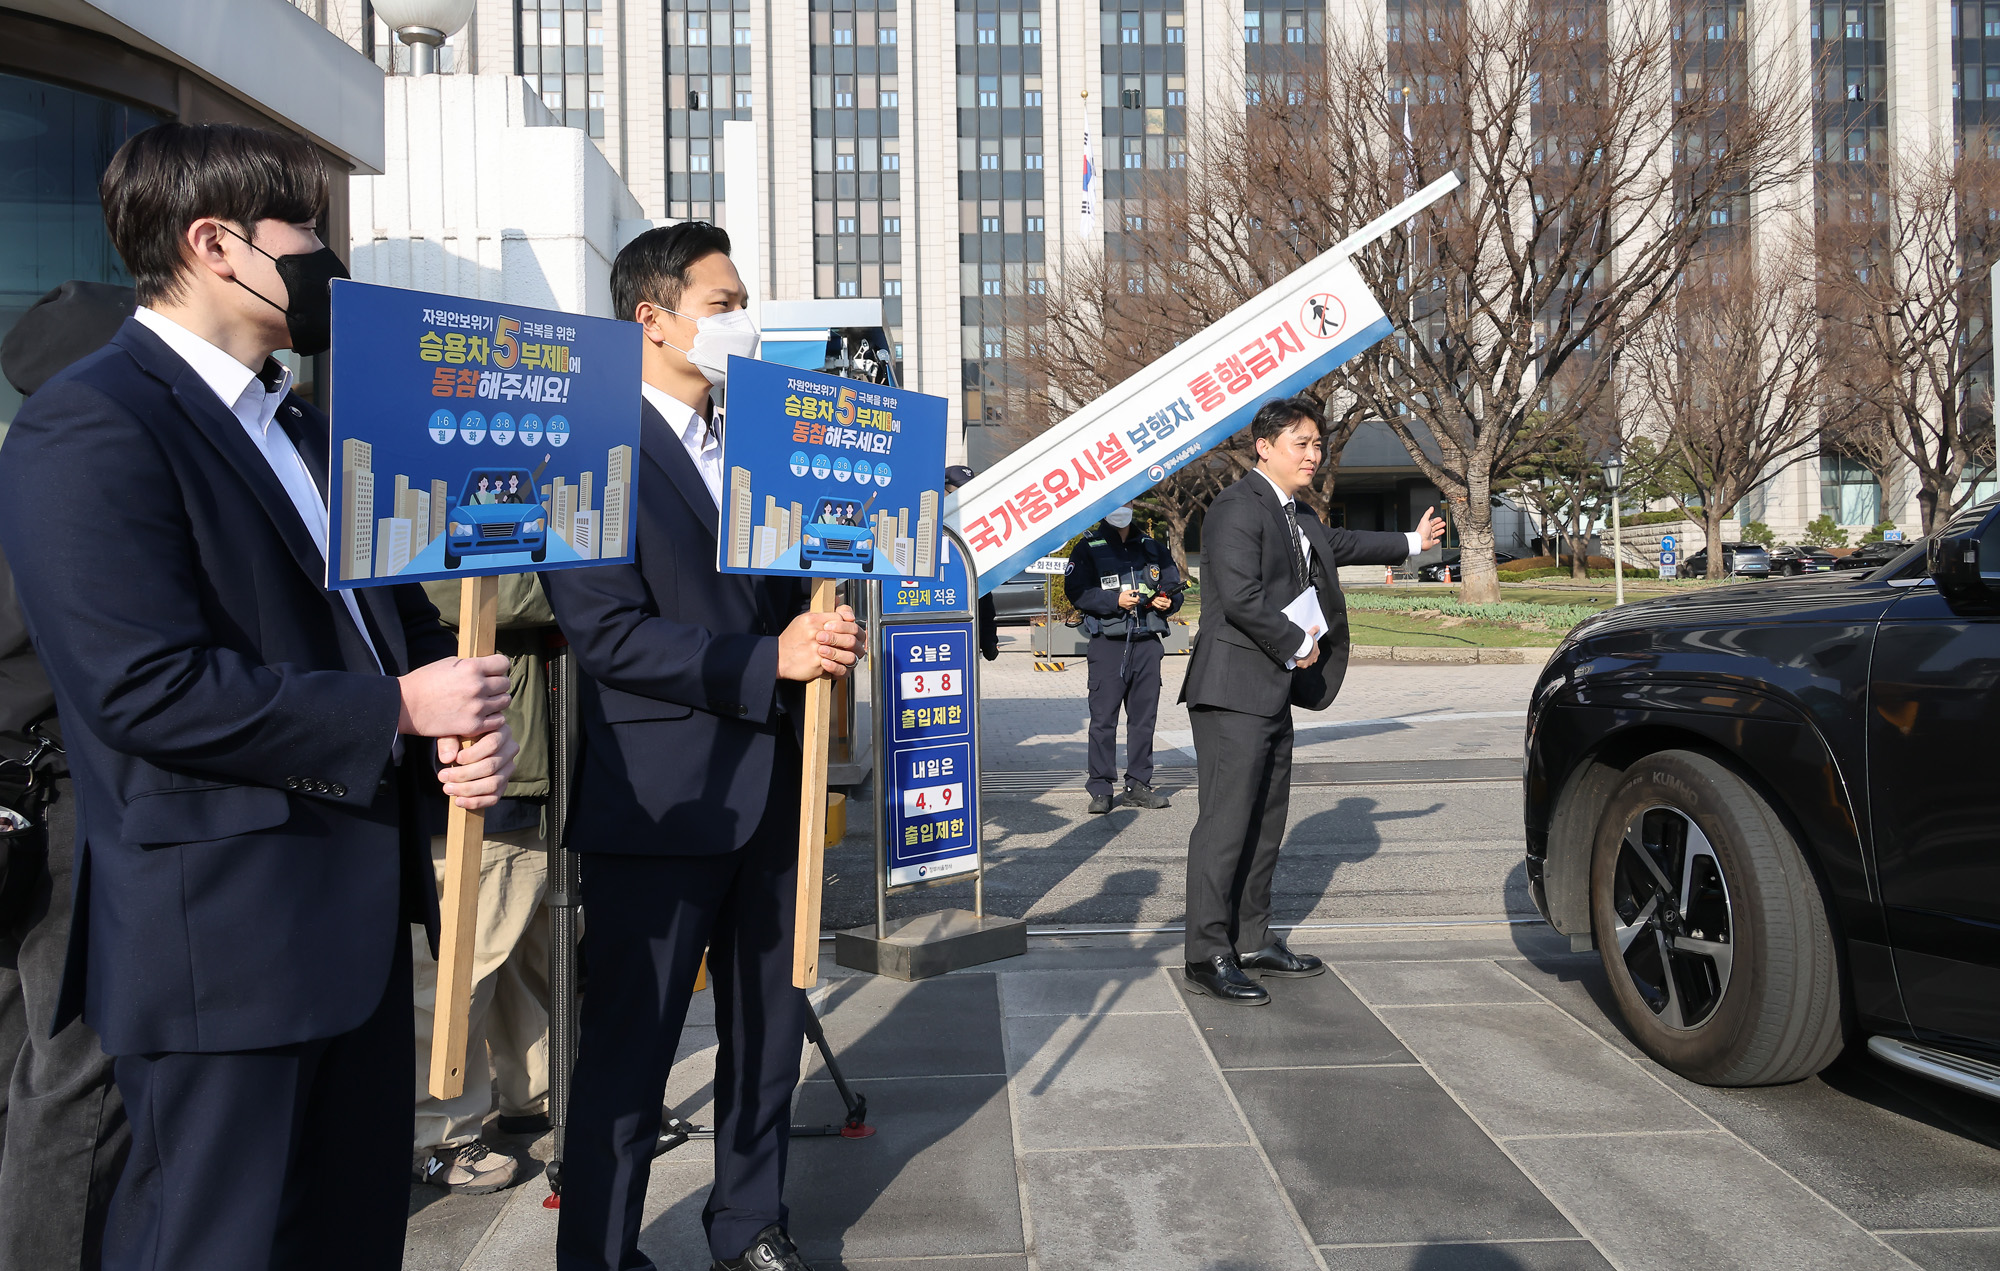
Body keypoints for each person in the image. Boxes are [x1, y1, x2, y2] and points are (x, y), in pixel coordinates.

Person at [0, 122, 518, 1269]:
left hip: (353, 927)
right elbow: (144, 686)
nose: (327, 256)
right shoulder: (90, 421)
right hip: (222, 945)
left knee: (346, 1236)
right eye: (305, 229)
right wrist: (396, 711)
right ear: (214, 243)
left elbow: (395, 621)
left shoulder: (308, 426)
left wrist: (460, 718)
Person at [543, 222, 864, 1271]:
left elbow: (790, 600)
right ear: (653, 317)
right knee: (629, 1047)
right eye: (724, 305)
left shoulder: (762, 441)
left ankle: (749, 1220)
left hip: (775, 783)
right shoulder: (587, 447)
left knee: (767, 1027)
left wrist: (825, 630)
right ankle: (599, 1251)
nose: (743, 322)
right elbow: (607, 633)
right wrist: (767, 660)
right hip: (660, 797)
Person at [1178, 396, 1443, 1006]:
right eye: (1301, 443)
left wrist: (1412, 540)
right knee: (1225, 823)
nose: (1313, 455)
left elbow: (1338, 543)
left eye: (1317, 444)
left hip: (1273, 691)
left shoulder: (1294, 511)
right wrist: (1298, 642)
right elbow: (1240, 597)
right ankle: (1205, 952)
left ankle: (1250, 939)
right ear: (1264, 447)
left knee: (1266, 822)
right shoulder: (1235, 508)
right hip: (1232, 690)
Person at [0, 280, 136, 1271]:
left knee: (21, 1060)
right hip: (63, 806)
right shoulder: (78, 489)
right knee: (76, 1075)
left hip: (16, 796)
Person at [409, 573, 557, 1195]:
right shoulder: (422, 513)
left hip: (527, 763)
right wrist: (594, 575)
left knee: (530, 956)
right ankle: (437, 1132)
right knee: (459, 971)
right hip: (471, 764)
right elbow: (458, 588)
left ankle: (537, 1094)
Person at [1064, 503, 1182, 813]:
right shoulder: (1089, 547)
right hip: (1108, 644)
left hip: (1147, 643)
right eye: (1115, 502)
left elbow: (1173, 586)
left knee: (1144, 720)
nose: (1122, 508)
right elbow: (1076, 590)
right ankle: (1101, 788)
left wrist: (1167, 601)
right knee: (1103, 720)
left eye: (1127, 502)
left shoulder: (1151, 547)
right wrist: (1113, 600)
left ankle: (1138, 785)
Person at [943, 465, 1000, 661]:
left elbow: (982, 596)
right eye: (958, 493)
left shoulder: (972, 531)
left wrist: (989, 640)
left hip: (966, 639)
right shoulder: (926, 526)